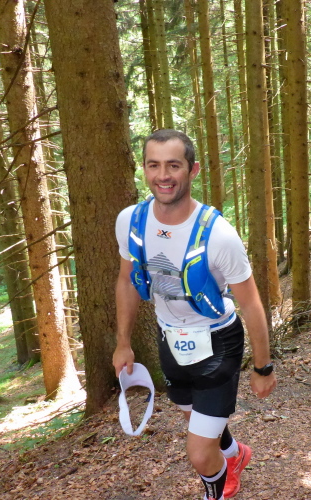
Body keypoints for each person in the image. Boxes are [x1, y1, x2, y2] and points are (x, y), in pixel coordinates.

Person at [113, 129, 276, 500]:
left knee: (200, 453)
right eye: (153, 165)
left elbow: (251, 303)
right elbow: (126, 280)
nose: (163, 175)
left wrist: (263, 367)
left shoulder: (219, 235)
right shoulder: (130, 221)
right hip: (169, 339)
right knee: (197, 418)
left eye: (173, 165)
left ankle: (215, 487)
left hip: (218, 341)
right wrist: (123, 342)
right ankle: (235, 455)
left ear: (193, 169)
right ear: (144, 169)